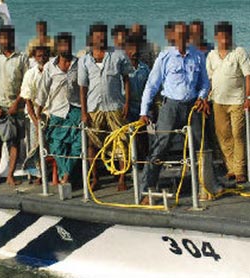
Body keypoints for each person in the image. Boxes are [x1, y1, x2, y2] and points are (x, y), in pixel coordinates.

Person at [139, 21, 210, 205]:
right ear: (172, 37)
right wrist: (143, 111)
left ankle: (207, 186)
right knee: (160, 146)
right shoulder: (164, 57)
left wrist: (202, 97)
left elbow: (204, 82)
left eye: (185, 35)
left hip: (192, 105)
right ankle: (147, 189)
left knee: (201, 146)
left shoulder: (198, 56)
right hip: (170, 106)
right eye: (178, 36)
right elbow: (152, 85)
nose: (182, 39)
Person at [79, 23, 133, 191]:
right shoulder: (85, 60)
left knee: (121, 142)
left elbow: (126, 80)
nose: (100, 38)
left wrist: (127, 103)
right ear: (91, 38)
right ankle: (95, 178)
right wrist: (84, 112)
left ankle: (122, 178)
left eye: (102, 35)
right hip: (94, 108)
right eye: (96, 36)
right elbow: (83, 87)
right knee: (92, 144)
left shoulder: (118, 55)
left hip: (115, 105)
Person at [206, 22, 250, 185]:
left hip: (237, 100)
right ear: (216, 37)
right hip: (218, 101)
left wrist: (248, 98)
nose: (224, 39)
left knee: (238, 134)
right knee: (223, 135)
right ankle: (231, 168)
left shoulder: (239, 52)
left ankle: (240, 171)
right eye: (221, 36)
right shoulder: (211, 55)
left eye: (227, 36)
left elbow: (248, 76)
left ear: (231, 36)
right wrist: (205, 98)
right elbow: (210, 79)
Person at [0, 25, 29, 187]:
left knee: (15, 141)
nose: (6, 41)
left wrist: (17, 104)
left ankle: (10, 175)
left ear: (13, 38)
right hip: (0, 107)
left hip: (15, 107)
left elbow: (26, 85)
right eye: (3, 38)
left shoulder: (22, 58)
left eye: (9, 38)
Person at [36, 32, 81, 185]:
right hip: (57, 110)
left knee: (80, 143)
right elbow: (43, 90)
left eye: (67, 44)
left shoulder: (78, 64)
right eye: (62, 45)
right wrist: (38, 111)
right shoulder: (50, 67)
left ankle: (66, 174)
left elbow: (85, 87)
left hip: (76, 109)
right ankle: (66, 174)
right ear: (57, 47)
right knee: (56, 145)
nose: (65, 48)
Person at [20, 46, 50, 182]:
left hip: (51, 113)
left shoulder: (53, 72)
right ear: (34, 57)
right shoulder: (30, 74)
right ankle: (37, 174)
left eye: (44, 55)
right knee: (34, 146)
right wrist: (34, 119)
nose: (42, 58)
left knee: (50, 145)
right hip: (34, 115)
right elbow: (27, 98)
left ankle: (50, 173)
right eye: (39, 56)